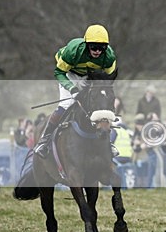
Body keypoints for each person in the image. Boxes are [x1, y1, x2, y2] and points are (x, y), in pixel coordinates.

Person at [34, 24, 117, 158]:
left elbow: (107, 81)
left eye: (101, 47)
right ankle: (45, 139)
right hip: (69, 72)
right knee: (67, 104)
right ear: (86, 44)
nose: (97, 51)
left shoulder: (109, 57)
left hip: (89, 74)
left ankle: (108, 143)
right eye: (93, 47)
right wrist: (72, 89)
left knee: (99, 104)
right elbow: (59, 72)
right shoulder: (73, 51)